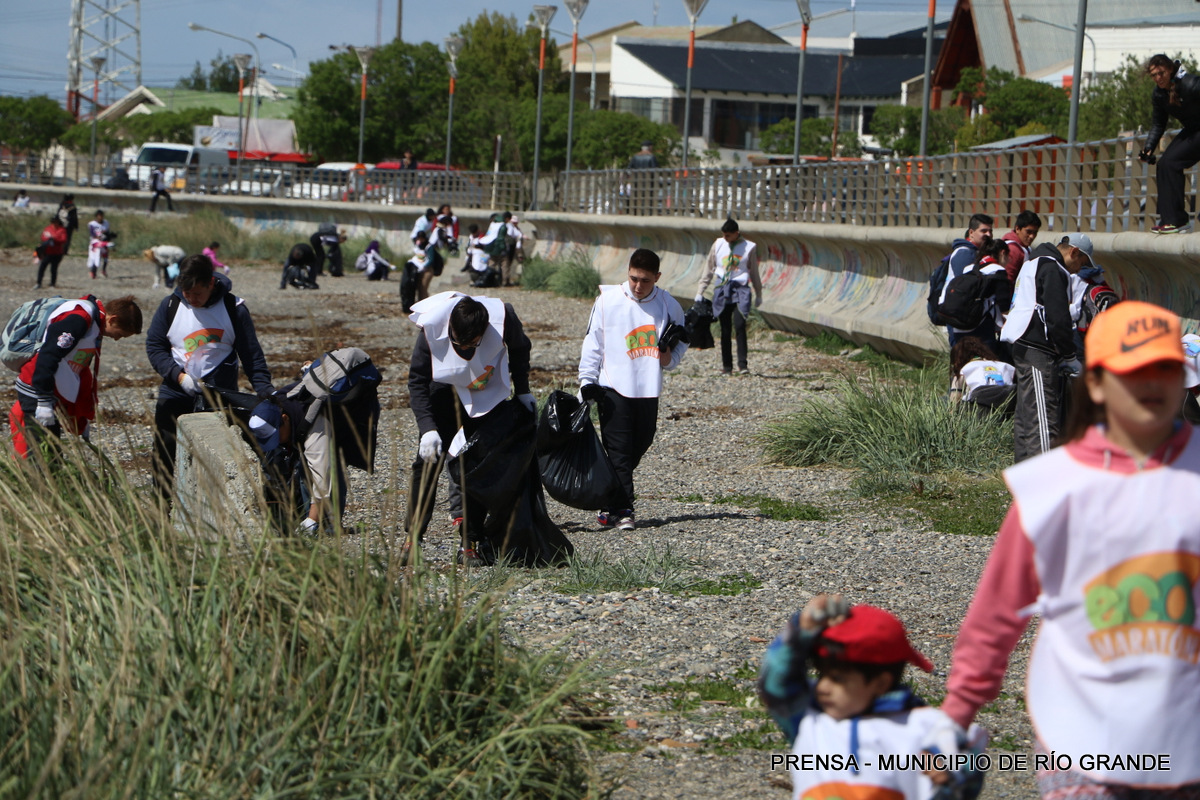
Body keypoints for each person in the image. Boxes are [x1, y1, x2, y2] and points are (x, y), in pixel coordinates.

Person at [944, 301, 1200, 798]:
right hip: (1081, 735)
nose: (1152, 383)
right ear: (1098, 384)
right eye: (1134, 371)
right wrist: (958, 710)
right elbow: (997, 611)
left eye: (1165, 369)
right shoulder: (1053, 487)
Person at [759, 595, 986, 800]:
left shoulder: (922, 726)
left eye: (838, 678)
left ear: (880, 683)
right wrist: (801, 631)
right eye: (822, 675)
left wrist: (955, 772)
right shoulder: (810, 719)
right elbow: (776, 684)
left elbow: (966, 778)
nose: (823, 687)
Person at [405, 292, 534, 566]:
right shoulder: (432, 328)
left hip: (485, 390)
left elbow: (521, 350)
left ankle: (470, 541)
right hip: (445, 390)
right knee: (427, 464)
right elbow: (417, 381)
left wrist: (523, 391)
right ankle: (412, 538)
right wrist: (428, 428)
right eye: (459, 344)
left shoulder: (504, 317)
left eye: (472, 344)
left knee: (480, 466)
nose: (465, 349)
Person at [145, 254, 273, 499]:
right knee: (165, 450)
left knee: (213, 455)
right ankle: (160, 510)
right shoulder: (171, 305)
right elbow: (154, 347)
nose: (191, 299)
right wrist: (178, 376)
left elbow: (252, 356)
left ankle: (207, 510)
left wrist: (265, 391)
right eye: (186, 292)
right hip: (176, 389)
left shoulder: (234, 309)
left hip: (218, 394)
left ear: (211, 283)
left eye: (197, 294)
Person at [578, 248, 688, 531]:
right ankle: (624, 509)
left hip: (648, 387)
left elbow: (682, 338)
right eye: (633, 278)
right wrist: (586, 382)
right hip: (611, 385)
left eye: (646, 280)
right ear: (627, 272)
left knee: (642, 441)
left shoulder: (667, 304)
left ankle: (608, 498)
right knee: (618, 449)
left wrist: (669, 356)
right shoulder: (608, 300)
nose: (638, 286)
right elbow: (593, 342)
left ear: (658, 277)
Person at [248, 349, 380, 535]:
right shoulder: (277, 400)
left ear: (285, 419)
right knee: (306, 468)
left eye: (277, 435)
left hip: (353, 414)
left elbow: (322, 478)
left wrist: (310, 520)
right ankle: (320, 522)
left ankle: (329, 526)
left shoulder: (312, 427)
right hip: (330, 413)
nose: (278, 442)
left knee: (332, 465)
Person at [9, 295, 142, 458]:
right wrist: (43, 401)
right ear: (112, 319)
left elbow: (78, 373)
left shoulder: (93, 328)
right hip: (36, 389)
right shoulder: (79, 320)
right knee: (38, 455)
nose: (116, 339)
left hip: (51, 394)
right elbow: (48, 355)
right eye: (120, 334)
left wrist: (81, 418)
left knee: (52, 452)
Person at [1000, 233, 1094, 463]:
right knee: (1043, 415)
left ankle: (1025, 470)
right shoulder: (1053, 268)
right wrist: (1069, 354)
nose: (1078, 270)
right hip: (1037, 346)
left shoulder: (1033, 261)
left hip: (1021, 341)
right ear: (1073, 251)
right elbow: (1057, 316)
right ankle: (1045, 476)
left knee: (1027, 412)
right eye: (1081, 262)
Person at [1140, 54, 1200, 234]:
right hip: (1193, 131)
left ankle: (1176, 220)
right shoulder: (1159, 94)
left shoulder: (1191, 84)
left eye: (1161, 73)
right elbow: (1159, 124)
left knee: (1171, 162)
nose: (1158, 78)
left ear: (1170, 70)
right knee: (1166, 164)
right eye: (1154, 75)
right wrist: (1149, 147)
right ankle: (1174, 220)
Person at [694, 218, 763, 375]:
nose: (726, 238)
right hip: (722, 290)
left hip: (741, 290)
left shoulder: (749, 247)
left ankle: (742, 364)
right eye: (724, 235)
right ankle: (727, 366)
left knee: (739, 325)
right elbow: (709, 267)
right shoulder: (718, 244)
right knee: (725, 329)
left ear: (736, 233)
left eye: (729, 236)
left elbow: (754, 272)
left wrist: (758, 293)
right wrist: (701, 290)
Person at [938, 213, 993, 347]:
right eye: (983, 231)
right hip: (960, 318)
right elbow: (965, 287)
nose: (989, 235)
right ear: (971, 232)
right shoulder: (965, 254)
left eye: (990, 231)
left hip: (967, 317)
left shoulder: (976, 253)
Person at [949, 336, 1015, 418]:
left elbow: (955, 398)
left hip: (982, 399)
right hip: (1008, 397)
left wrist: (951, 418)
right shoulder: (1004, 365)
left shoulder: (964, 369)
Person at [1000, 210, 1041, 283]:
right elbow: (1007, 279)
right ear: (1017, 229)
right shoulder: (1013, 250)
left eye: (1035, 233)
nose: (1032, 236)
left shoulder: (1024, 247)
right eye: (1028, 232)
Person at [34, 217, 68, 290]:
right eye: (53, 222)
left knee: (54, 269)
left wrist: (55, 238)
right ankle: (38, 283)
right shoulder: (48, 228)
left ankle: (52, 283)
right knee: (42, 267)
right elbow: (43, 237)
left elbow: (63, 239)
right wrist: (49, 238)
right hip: (47, 252)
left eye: (56, 222)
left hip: (57, 252)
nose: (55, 223)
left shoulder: (62, 230)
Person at [410, 229, 443, 302]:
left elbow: (430, 260)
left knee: (423, 288)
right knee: (419, 287)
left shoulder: (429, 247)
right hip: (421, 269)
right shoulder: (419, 246)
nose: (420, 240)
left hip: (428, 270)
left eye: (421, 238)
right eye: (419, 238)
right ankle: (420, 303)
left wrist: (424, 266)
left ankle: (426, 304)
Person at [86, 210, 113, 280]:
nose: (100, 217)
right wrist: (100, 236)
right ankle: (93, 272)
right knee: (96, 257)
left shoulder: (106, 223)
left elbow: (107, 232)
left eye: (101, 216)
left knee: (105, 257)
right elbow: (92, 234)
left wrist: (108, 237)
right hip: (95, 243)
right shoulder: (92, 224)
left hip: (104, 242)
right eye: (99, 216)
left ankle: (103, 270)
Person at [499, 211, 524, 287]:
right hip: (508, 247)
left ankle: (502, 280)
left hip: (502, 246)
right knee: (506, 264)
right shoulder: (508, 226)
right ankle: (505, 281)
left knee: (502, 264)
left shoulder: (499, 224)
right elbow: (514, 235)